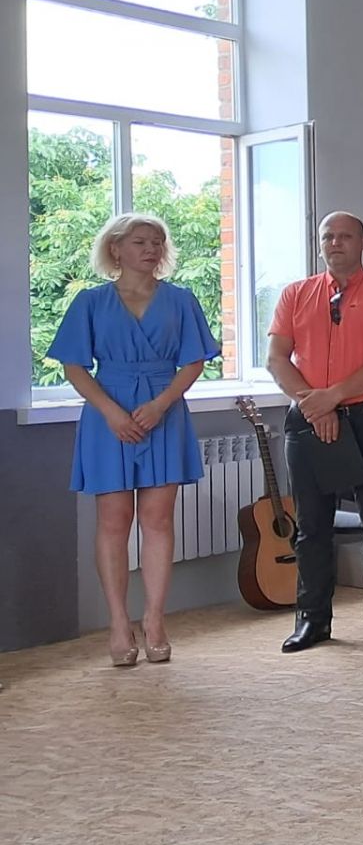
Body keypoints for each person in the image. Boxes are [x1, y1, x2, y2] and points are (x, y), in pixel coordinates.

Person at [49, 213, 219, 667]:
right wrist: (111, 412)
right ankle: (119, 623)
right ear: (116, 249)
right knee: (113, 521)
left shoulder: (181, 300)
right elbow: (73, 366)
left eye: (157, 242)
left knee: (159, 521)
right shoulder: (90, 302)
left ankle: (155, 620)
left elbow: (194, 362)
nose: (151, 249)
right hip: (109, 415)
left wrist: (161, 405)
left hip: (164, 409)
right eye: (140, 241)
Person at [266, 211, 363, 652]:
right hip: (308, 417)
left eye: (345, 236)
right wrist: (315, 404)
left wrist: (334, 397)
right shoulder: (295, 294)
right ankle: (313, 620)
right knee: (311, 525)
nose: (335, 243)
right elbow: (276, 359)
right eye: (327, 236)